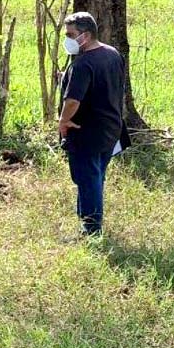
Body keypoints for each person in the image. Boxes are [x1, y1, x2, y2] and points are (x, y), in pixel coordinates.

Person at [57, 12, 126, 237]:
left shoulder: (83, 64)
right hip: (111, 129)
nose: (67, 39)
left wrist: (63, 121)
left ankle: (91, 230)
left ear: (85, 36)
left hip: (86, 131)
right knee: (96, 175)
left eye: (70, 35)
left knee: (88, 179)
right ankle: (86, 219)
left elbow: (73, 100)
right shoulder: (112, 54)